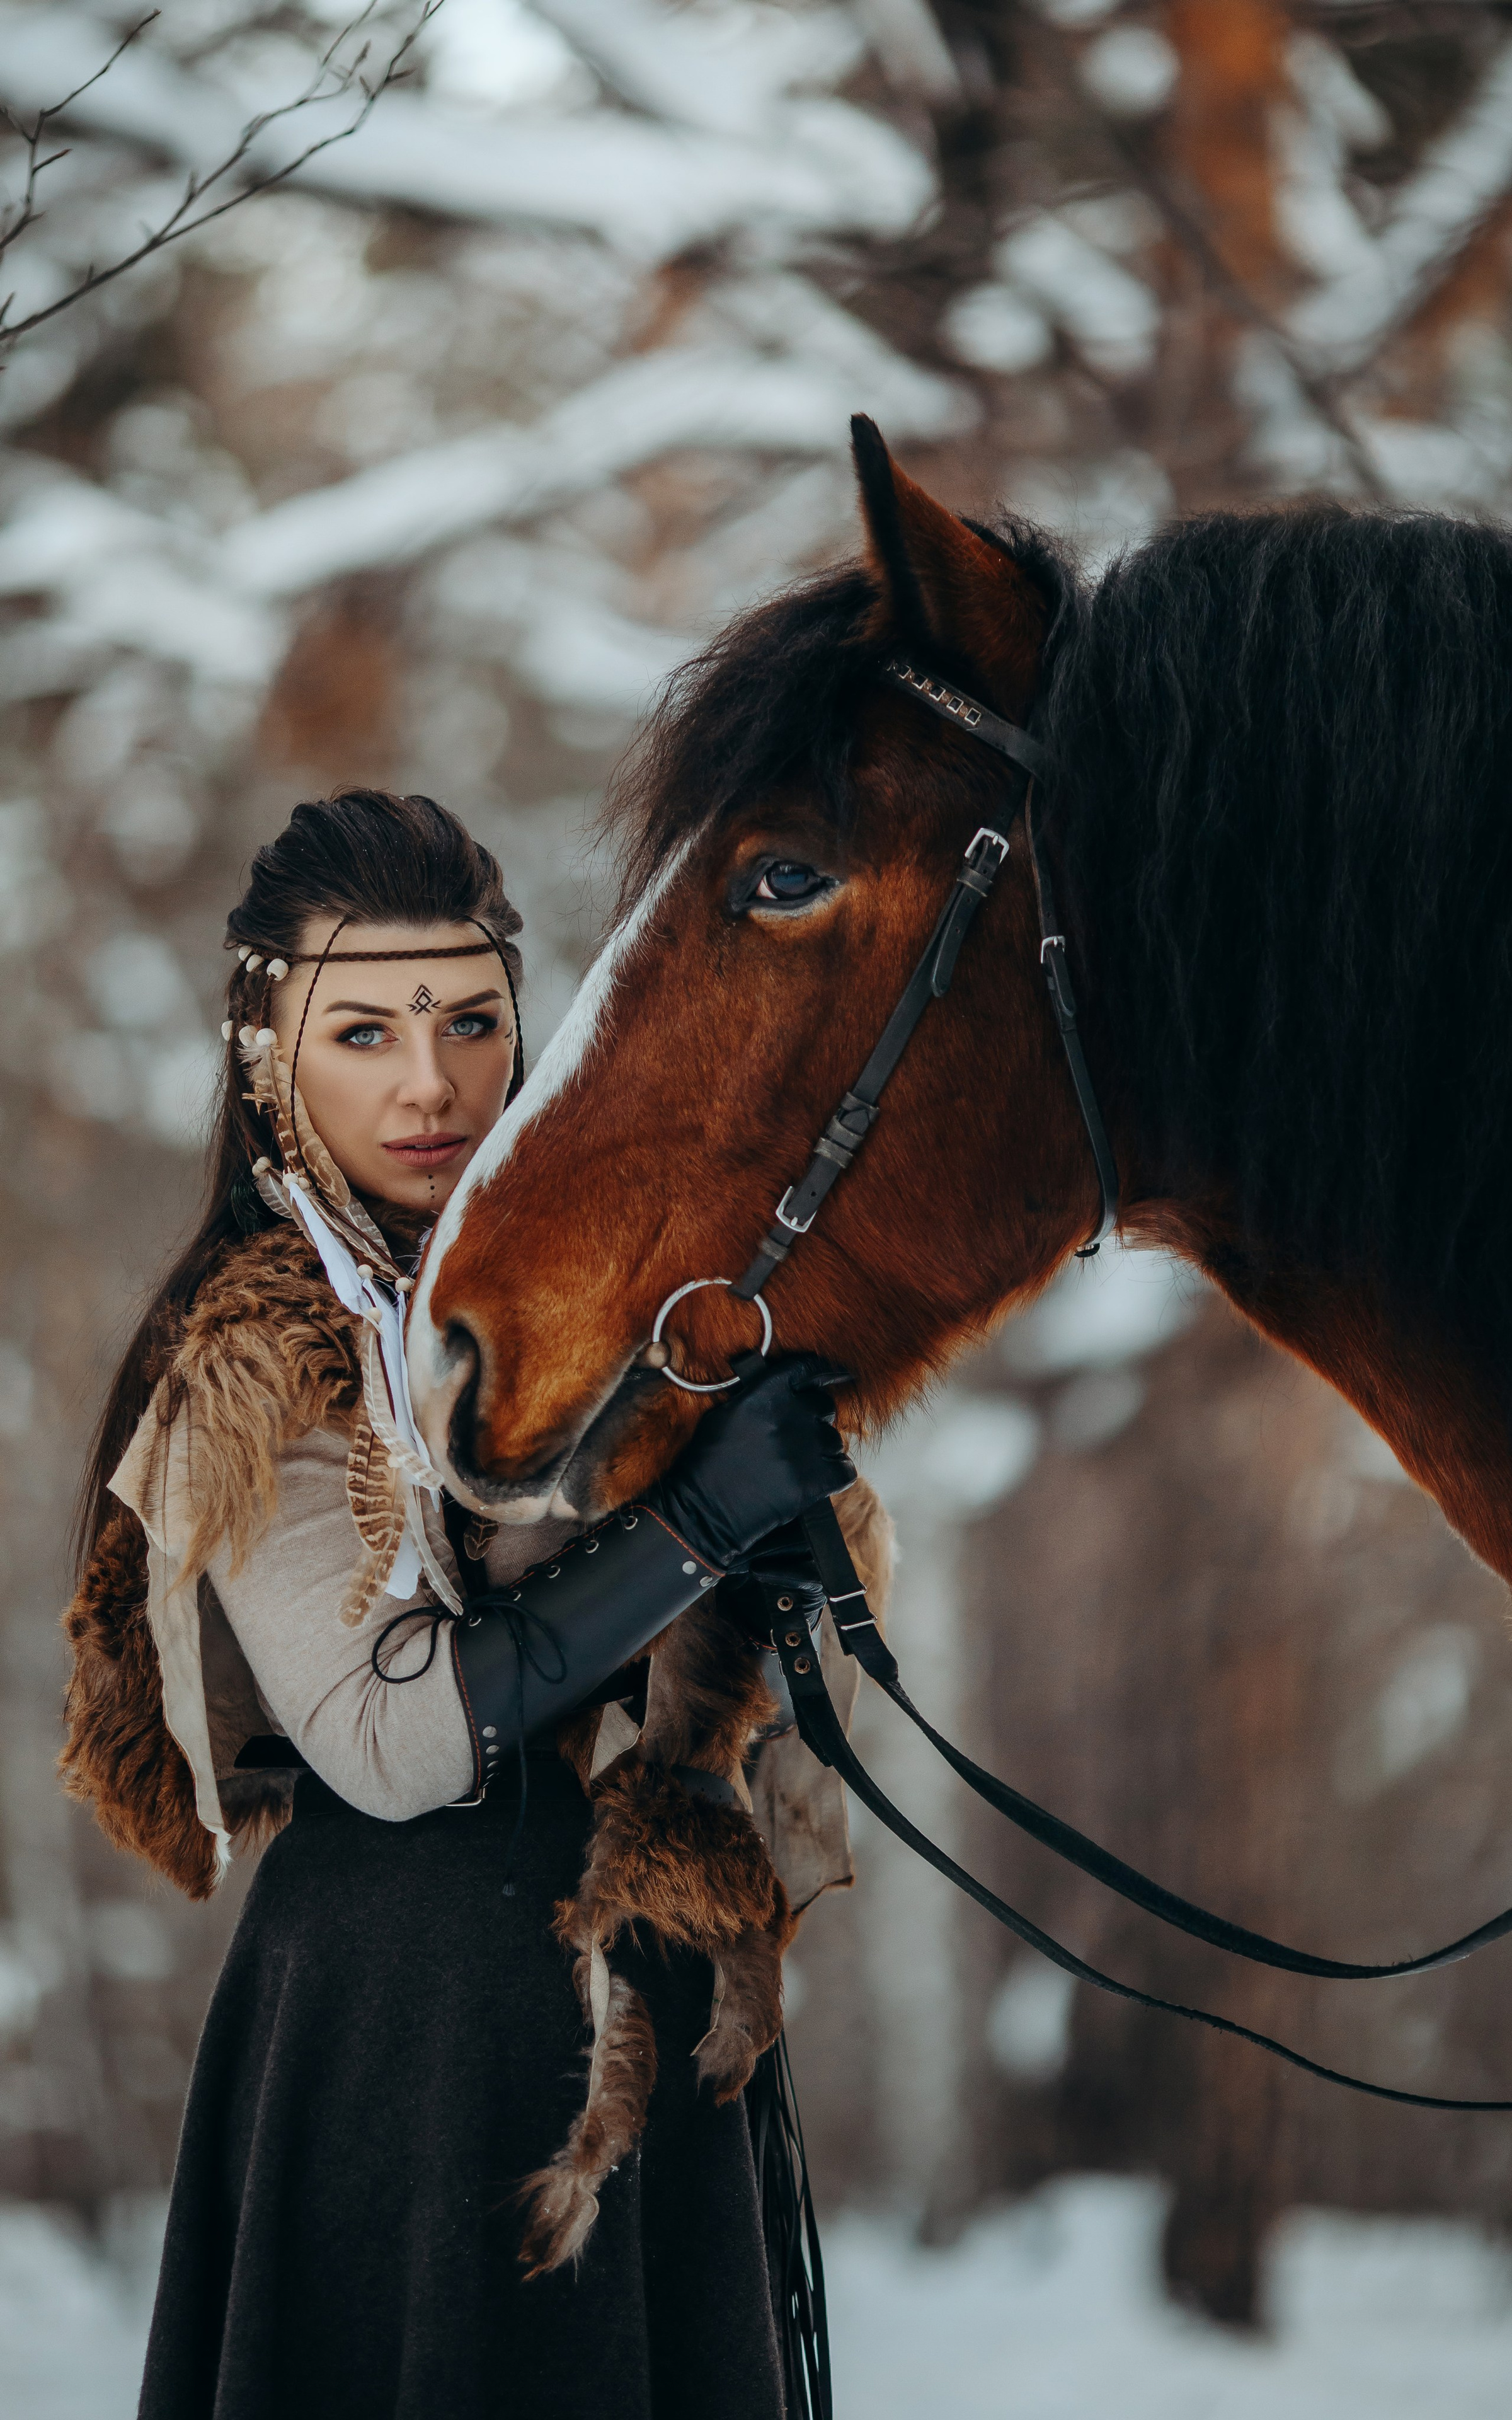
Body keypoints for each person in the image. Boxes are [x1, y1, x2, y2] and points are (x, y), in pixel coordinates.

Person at [61, 789, 886, 2420]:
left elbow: (772, 1708)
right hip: (402, 2017)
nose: (429, 1083)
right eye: (362, 1031)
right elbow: (387, 1741)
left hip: (641, 1992)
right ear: (267, 1058)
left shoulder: (612, 1305)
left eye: (468, 1022)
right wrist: (699, 1529)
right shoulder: (257, 1351)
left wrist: (782, 1546)